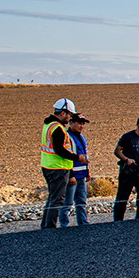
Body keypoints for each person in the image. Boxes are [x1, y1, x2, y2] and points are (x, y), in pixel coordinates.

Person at [40, 98, 87, 230]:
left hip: (49, 166)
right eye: (69, 115)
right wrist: (77, 157)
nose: (69, 117)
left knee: (52, 198)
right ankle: (50, 227)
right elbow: (60, 150)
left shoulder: (48, 125)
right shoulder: (57, 128)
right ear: (63, 113)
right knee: (57, 200)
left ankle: (45, 226)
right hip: (57, 168)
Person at [58, 113, 91, 228]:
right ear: (71, 123)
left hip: (81, 175)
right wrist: (70, 175)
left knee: (82, 202)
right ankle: (64, 225)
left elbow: (85, 156)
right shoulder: (67, 137)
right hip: (72, 176)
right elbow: (66, 157)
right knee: (67, 204)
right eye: (79, 123)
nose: (81, 126)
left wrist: (87, 172)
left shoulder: (81, 137)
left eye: (83, 124)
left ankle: (83, 224)